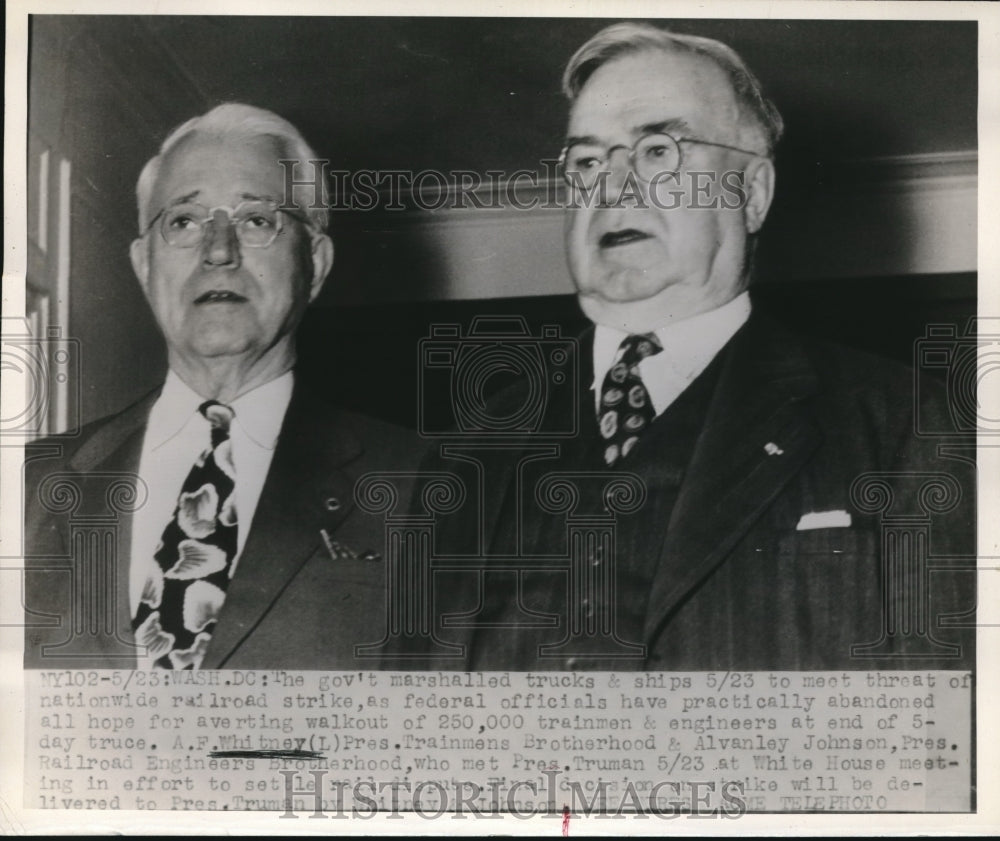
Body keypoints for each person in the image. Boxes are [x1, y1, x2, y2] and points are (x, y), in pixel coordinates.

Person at [414, 23, 975, 671]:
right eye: (588, 161)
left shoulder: (905, 425)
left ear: (751, 193)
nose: (613, 186)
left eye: (657, 152)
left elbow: (957, 736)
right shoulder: (467, 454)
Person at [23, 103, 419, 670]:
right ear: (143, 264)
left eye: (257, 220)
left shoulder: (427, 484)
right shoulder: (27, 486)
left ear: (316, 261)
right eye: (183, 221)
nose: (218, 249)